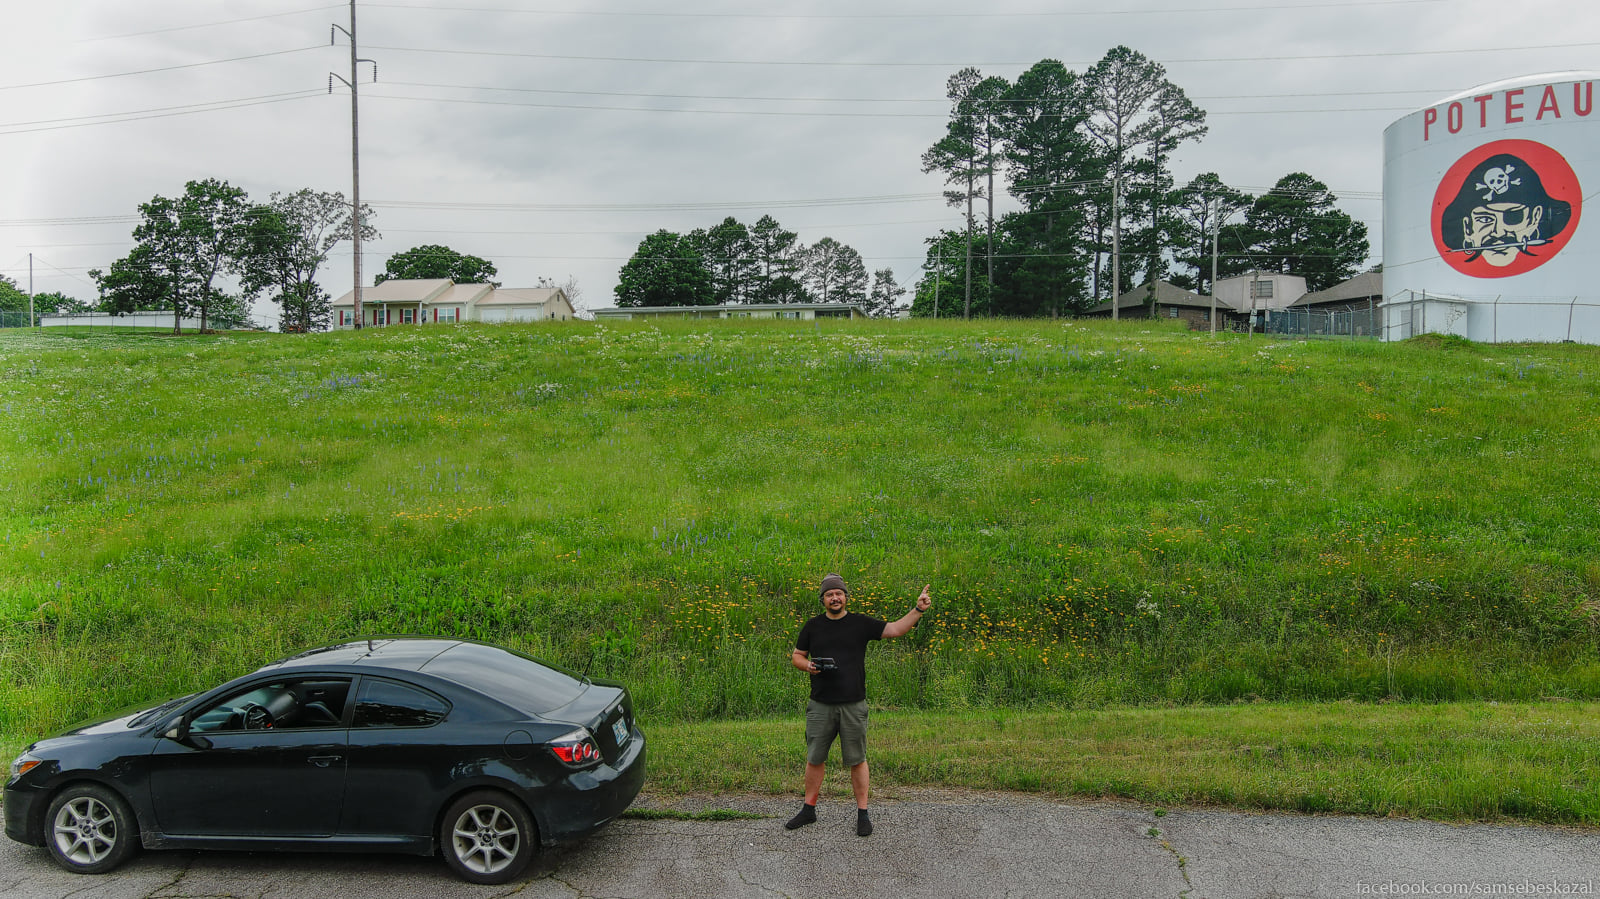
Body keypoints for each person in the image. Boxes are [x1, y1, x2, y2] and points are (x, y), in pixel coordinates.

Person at [785, 573, 932, 836]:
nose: (834, 598)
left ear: (845, 597)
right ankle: (808, 810)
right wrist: (806, 665)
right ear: (823, 600)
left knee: (857, 759)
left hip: (853, 704)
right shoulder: (812, 626)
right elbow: (797, 655)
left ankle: (863, 814)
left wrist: (918, 609)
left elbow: (896, 629)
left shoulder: (860, 624)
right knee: (815, 758)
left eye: (838, 593)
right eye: (829, 594)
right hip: (820, 705)